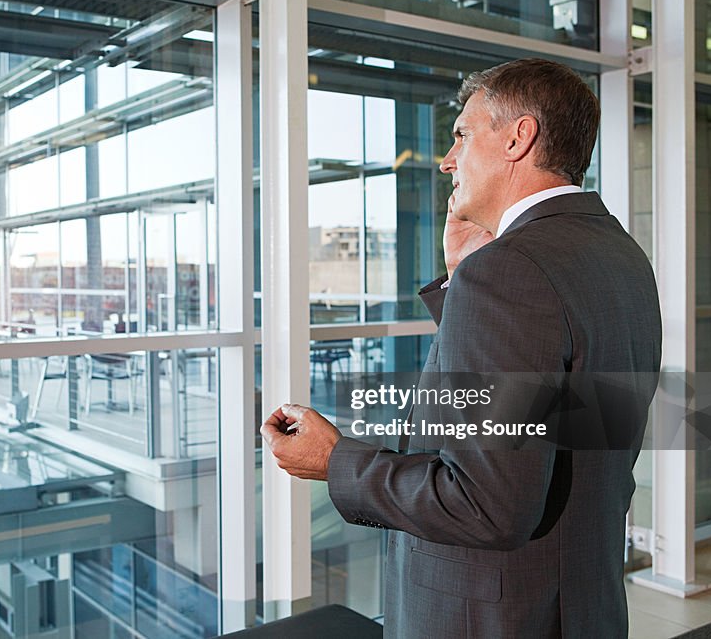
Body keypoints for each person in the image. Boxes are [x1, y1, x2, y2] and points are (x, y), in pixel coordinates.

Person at [261, 58, 662, 638]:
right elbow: (559, 416)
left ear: (518, 138)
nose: (448, 160)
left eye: (462, 136)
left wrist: (336, 461)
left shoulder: (513, 269)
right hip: (579, 596)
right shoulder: (617, 253)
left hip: (493, 614)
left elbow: (489, 504)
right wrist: (465, 278)